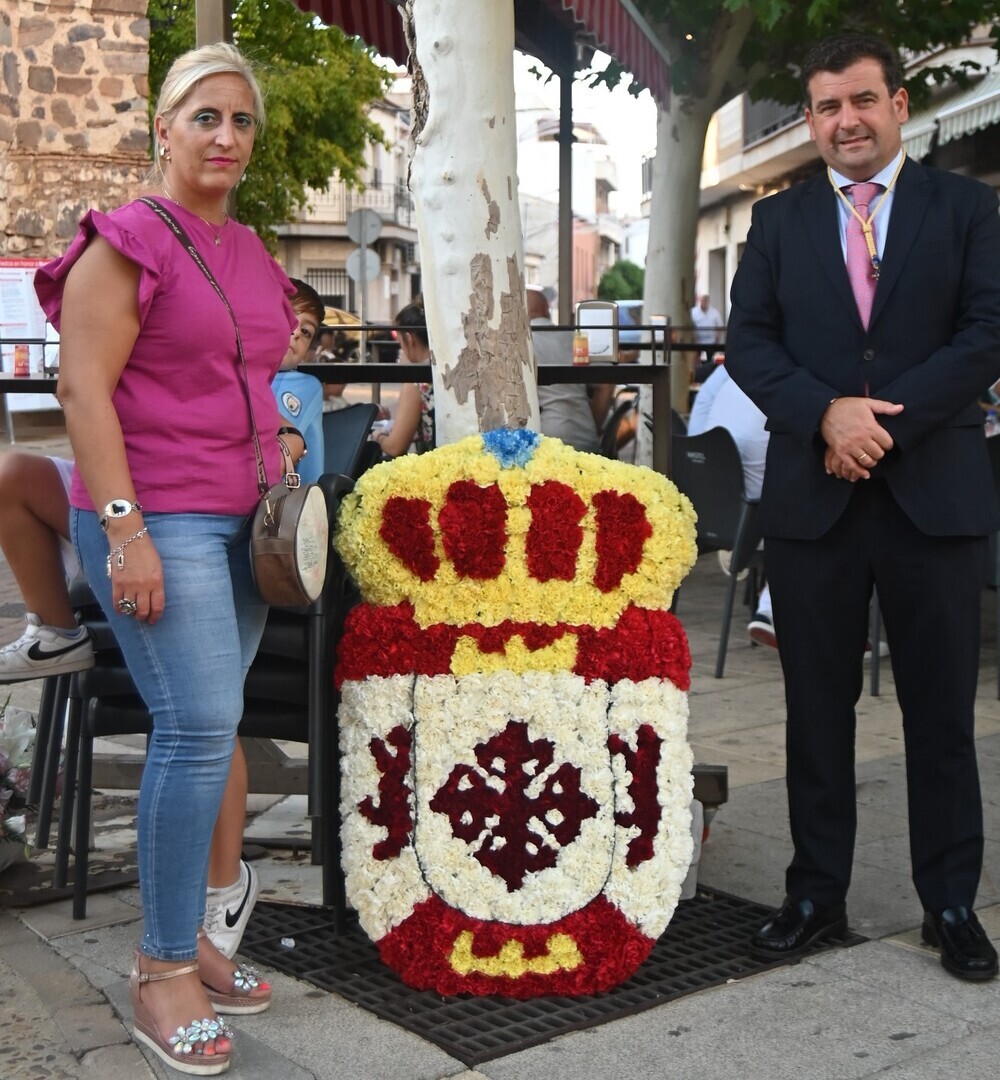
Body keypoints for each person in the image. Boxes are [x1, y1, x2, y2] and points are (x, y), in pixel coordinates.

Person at [35, 42, 300, 1072]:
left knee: (209, 724)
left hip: (243, 522)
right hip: (162, 520)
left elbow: (250, 371)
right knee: (199, 729)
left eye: (240, 121)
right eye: (206, 118)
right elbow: (82, 394)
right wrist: (124, 529)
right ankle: (159, 972)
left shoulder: (251, 250)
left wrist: (275, 436)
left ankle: (191, 938)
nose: (225, 137)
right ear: (165, 127)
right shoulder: (127, 239)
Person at [726, 32, 1000, 981]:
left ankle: (953, 904)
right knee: (815, 709)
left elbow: (988, 331)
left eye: (864, 100)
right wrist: (825, 416)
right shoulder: (777, 222)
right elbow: (751, 345)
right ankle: (814, 893)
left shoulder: (969, 208)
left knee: (940, 714)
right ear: (810, 120)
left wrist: (883, 424)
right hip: (816, 499)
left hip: (935, 495)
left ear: (899, 106)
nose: (847, 119)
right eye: (827, 106)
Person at [528, 287, 612, 454]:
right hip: (585, 437)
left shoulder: (522, 341)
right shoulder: (575, 337)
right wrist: (594, 425)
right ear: (546, 308)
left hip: (542, 441)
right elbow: (605, 384)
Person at [272, 278, 325, 484]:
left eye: (305, 332)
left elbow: (312, 464)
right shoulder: (237, 371)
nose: (295, 334)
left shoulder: (306, 386)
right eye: (287, 318)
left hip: (277, 505)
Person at [372, 299, 434, 458]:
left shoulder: (416, 381)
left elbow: (395, 447)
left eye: (400, 343)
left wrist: (378, 436)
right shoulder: (444, 369)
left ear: (409, 338)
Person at [690, 294, 724, 379]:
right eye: (702, 301)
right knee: (695, 360)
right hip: (698, 342)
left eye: (706, 301)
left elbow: (720, 326)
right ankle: (695, 375)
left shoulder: (714, 312)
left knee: (710, 361)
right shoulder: (693, 312)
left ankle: (709, 376)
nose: (704, 303)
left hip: (710, 342)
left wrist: (717, 339)